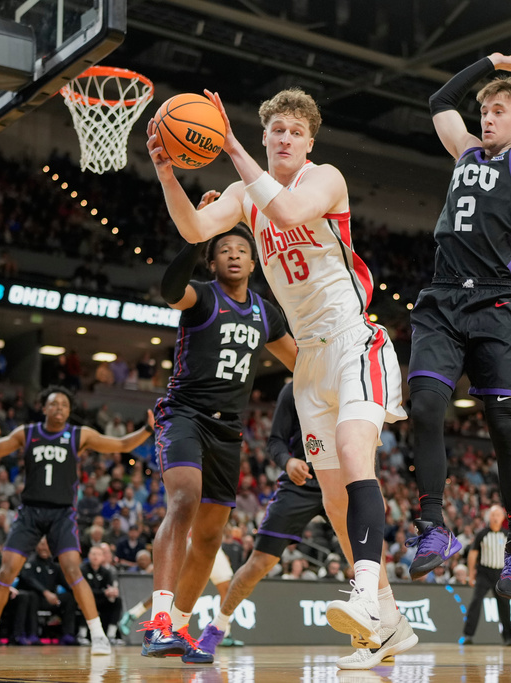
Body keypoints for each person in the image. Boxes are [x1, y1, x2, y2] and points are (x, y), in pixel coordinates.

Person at [146, 83, 407, 654]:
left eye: (294, 132)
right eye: (276, 131)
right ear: (266, 137)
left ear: (308, 142)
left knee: (355, 454)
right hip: (310, 360)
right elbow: (193, 231)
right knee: (334, 500)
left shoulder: (324, 178)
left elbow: (285, 209)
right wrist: (168, 173)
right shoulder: (242, 194)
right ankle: (388, 621)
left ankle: (364, 594)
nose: (284, 138)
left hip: (351, 337)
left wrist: (228, 142)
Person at [404, 14, 511, 601]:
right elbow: (438, 99)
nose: (486, 115)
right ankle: (432, 529)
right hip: (443, 296)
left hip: (497, 303)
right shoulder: (464, 153)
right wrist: (491, 68)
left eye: (498, 109)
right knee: (425, 404)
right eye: (486, 109)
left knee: (503, 422)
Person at [137, 194, 296, 664]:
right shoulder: (201, 294)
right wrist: (197, 236)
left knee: (209, 537)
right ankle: (158, 623)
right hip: (184, 414)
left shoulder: (267, 312)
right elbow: (170, 289)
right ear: (212, 259)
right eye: (223, 249)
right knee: (183, 497)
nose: (232, 253)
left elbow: (299, 363)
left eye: (241, 249)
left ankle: (180, 629)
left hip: (229, 432)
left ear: (253, 261)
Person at [197, 381, 417, 668]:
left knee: (364, 553)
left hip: (344, 481)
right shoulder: (293, 389)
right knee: (259, 561)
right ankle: (218, 626)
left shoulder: (352, 377)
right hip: (300, 484)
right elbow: (275, 441)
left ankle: (383, 628)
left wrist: (371, 488)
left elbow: (364, 442)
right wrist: (288, 462)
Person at [0, 386, 155, 656]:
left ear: (69, 412)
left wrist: (147, 430)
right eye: (53, 404)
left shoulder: (79, 435)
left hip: (62, 513)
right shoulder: (28, 432)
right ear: (44, 408)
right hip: (30, 512)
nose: (59, 408)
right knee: (6, 570)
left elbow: (121, 445)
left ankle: (98, 636)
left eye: (64, 405)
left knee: (72, 570)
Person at [460, 506, 511, 645]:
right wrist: (471, 574)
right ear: (489, 517)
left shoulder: (507, 535)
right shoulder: (482, 534)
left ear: (502, 518)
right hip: (484, 573)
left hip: (501, 574)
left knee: (505, 606)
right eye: (493, 514)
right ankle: (468, 635)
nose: (495, 517)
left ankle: (508, 638)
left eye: (498, 515)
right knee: (475, 602)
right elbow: (473, 554)